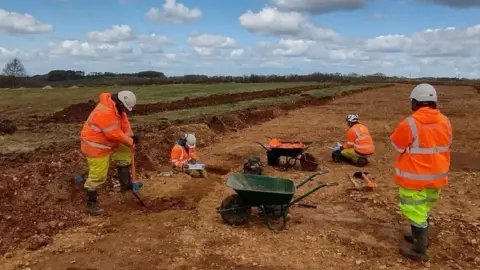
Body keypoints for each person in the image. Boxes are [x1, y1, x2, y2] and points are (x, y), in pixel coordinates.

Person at [390, 83, 452, 261]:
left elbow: (396, 144)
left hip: (414, 178)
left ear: (416, 102)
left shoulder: (410, 123)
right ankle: (419, 237)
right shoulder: (446, 121)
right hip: (437, 177)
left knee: (415, 210)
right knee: (423, 208)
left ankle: (419, 249)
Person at [80, 90, 141, 216]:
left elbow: (124, 123)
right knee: (98, 175)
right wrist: (129, 141)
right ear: (120, 103)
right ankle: (91, 202)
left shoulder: (117, 108)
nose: (125, 111)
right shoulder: (105, 111)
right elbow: (113, 134)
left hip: (108, 142)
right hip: (96, 146)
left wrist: (131, 137)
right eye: (125, 108)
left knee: (124, 150)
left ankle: (126, 184)